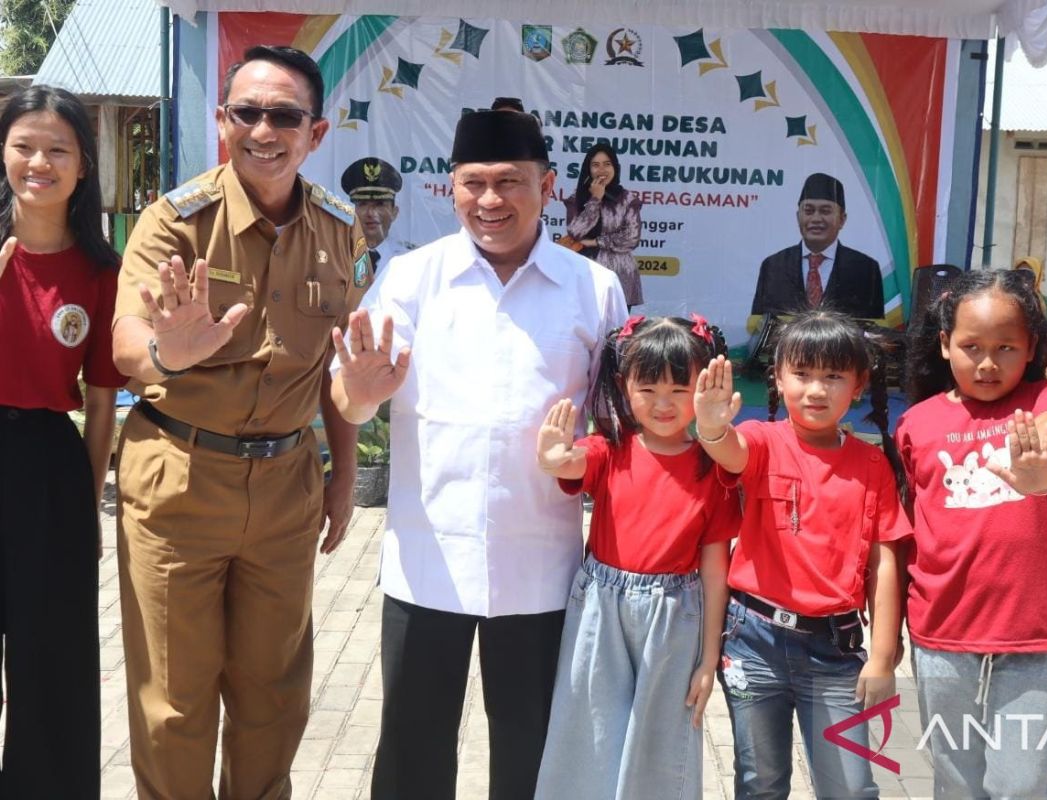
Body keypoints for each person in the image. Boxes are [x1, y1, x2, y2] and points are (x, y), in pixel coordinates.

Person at [328, 108, 626, 799]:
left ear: (549, 186)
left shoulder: (593, 289)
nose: (490, 201)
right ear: (450, 189)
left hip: (541, 569)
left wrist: (579, 457)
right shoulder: (411, 279)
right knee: (411, 745)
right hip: (426, 561)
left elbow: (618, 425)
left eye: (510, 182)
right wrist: (356, 391)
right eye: (474, 183)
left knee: (532, 747)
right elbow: (350, 400)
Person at [110, 45, 368, 798]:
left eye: (283, 115)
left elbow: (340, 370)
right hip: (178, 485)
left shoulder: (338, 229)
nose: (264, 129)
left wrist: (343, 474)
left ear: (314, 133)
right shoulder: (174, 222)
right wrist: (168, 352)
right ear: (222, 122)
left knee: (274, 694)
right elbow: (128, 342)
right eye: (246, 112)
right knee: (173, 701)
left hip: (288, 486)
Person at [692, 311, 908, 799]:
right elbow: (729, 450)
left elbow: (885, 562)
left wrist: (882, 657)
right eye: (803, 374)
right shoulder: (764, 442)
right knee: (761, 783)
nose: (816, 390)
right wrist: (709, 425)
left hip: (834, 652)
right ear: (779, 377)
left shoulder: (872, 465)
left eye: (833, 376)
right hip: (753, 644)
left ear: (858, 385)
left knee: (851, 789)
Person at [533, 314, 740, 800]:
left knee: (662, 738)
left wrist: (709, 659)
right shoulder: (611, 450)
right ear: (623, 385)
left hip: (675, 616)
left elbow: (715, 570)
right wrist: (550, 458)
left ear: (704, 385)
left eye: (678, 388)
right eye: (648, 388)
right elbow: (570, 461)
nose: (663, 404)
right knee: (587, 725)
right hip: (600, 611)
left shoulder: (713, 469)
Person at [898, 270, 1047, 797]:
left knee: (1020, 784)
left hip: (1034, 635)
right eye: (970, 346)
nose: (986, 362)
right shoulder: (916, 423)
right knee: (956, 780)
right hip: (941, 633)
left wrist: (1040, 469)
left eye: (1006, 347)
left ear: (1031, 349)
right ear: (943, 343)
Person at [0, 85, 125, 797]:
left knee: (54, 657)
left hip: (49, 462)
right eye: (24, 145)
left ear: (83, 166)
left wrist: (87, 501)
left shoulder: (100, 269)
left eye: (58, 149)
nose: (38, 162)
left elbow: (103, 400)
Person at [748, 173, 885, 333]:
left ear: (842, 219)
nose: (816, 218)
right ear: (798, 216)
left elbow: (874, 331)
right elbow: (758, 327)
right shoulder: (773, 266)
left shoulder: (865, 269)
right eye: (809, 211)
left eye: (825, 211)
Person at [565, 142, 644, 308]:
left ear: (615, 168)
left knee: (616, 332)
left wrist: (596, 242)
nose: (602, 170)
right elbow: (576, 232)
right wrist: (595, 199)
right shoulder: (577, 198)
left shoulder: (628, 199)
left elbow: (631, 237)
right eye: (595, 165)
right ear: (588, 170)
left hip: (619, 276)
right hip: (585, 275)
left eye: (607, 164)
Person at [341, 156, 415, 276]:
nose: (371, 213)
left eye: (379, 204)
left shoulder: (411, 257)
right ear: (352, 211)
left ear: (394, 212)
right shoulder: (337, 255)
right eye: (363, 204)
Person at [1013, 255, 1047, 333]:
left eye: (1028, 274)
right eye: (1019, 274)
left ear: (1038, 276)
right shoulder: (1008, 301)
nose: (1023, 278)